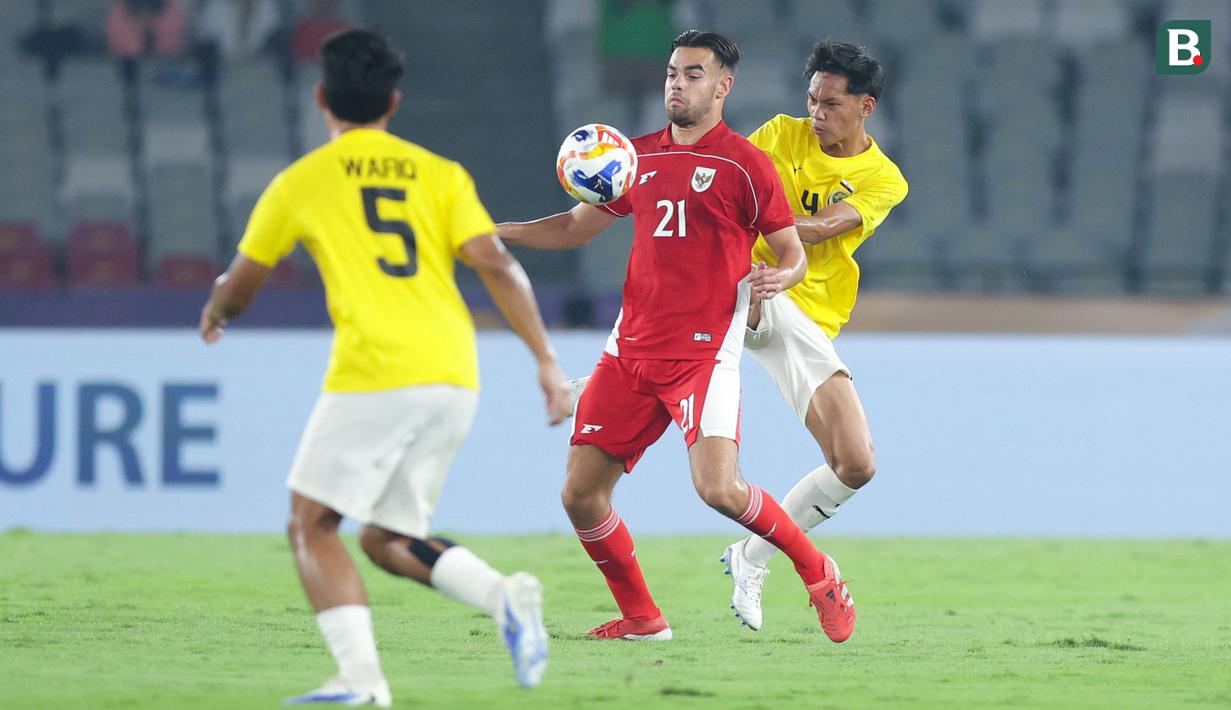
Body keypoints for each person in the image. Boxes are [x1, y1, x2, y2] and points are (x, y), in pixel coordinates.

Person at [199, 29, 570, 706]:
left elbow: (244, 282)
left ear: (321, 98)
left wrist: (219, 309)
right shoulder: (440, 174)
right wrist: (545, 361)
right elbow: (497, 265)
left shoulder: (302, 181)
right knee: (386, 537)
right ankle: (503, 597)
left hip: (375, 371)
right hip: (453, 374)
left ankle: (361, 683)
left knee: (310, 524)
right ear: (393, 102)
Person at [499, 30, 856, 644]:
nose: (677, 84)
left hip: (703, 355)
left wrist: (781, 276)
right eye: (672, 72)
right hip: (630, 352)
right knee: (581, 495)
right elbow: (570, 229)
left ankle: (817, 570)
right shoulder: (632, 159)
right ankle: (643, 618)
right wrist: (492, 232)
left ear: (722, 86)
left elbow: (792, 252)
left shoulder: (746, 164)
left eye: (693, 74)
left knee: (719, 489)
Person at [719, 42, 908, 630]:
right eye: (812, 100)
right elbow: (726, 182)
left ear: (865, 106)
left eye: (830, 104)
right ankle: (614, 376)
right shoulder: (781, 134)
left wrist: (762, 216)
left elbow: (824, 228)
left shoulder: (883, 179)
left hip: (808, 318)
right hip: (756, 288)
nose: (816, 114)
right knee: (726, 293)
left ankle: (752, 554)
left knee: (855, 463)